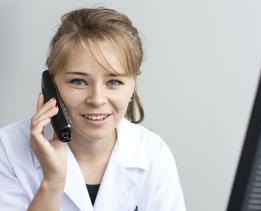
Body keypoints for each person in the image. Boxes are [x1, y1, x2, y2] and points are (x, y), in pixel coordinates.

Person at [0, 7, 186, 211]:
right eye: (78, 81)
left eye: (114, 82)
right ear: (51, 86)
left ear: (132, 86)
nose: (97, 99)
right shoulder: (7, 150)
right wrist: (52, 182)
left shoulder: (154, 154)